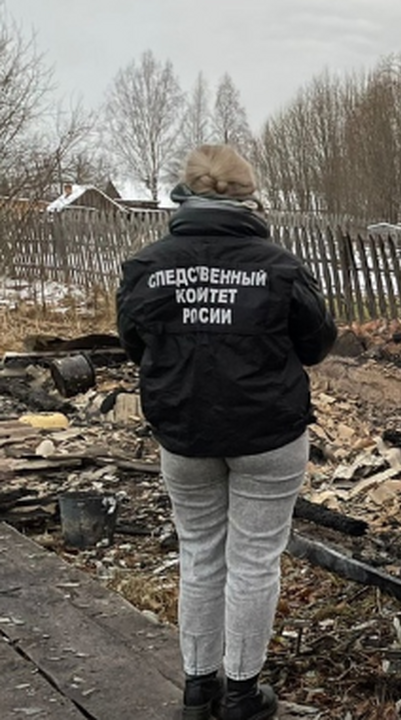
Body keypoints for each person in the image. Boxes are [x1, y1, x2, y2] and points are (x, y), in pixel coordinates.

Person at [116, 144, 337, 720]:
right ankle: (242, 693)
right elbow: (316, 345)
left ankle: (197, 689)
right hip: (268, 436)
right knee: (255, 561)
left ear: (184, 193)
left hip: (184, 435)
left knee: (199, 555)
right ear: (248, 195)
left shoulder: (146, 267)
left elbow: (135, 347)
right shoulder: (279, 266)